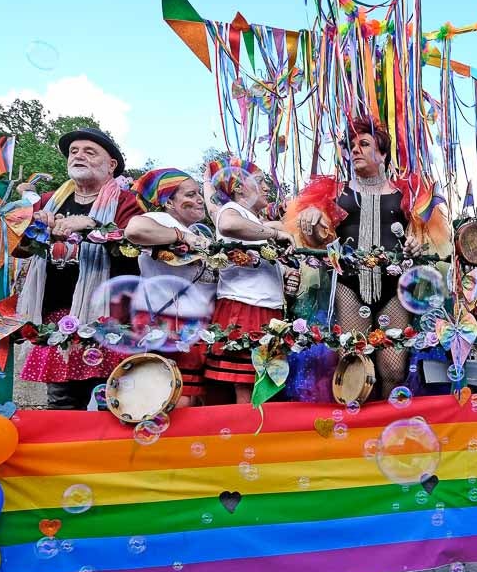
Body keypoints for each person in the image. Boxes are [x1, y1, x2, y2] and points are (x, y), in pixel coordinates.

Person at [286, 117, 451, 394]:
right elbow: (316, 242)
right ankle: (357, 432)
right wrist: (313, 217)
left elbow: (428, 241)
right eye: (351, 146)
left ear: (383, 154)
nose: (355, 150)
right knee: (353, 363)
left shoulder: (407, 193)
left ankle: (389, 427)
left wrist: (414, 245)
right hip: (349, 286)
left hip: (394, 287)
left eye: (364, 144)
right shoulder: (335, 193)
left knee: (393, 369)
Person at [16, 128, 144, 410]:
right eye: (74, 151)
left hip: (108, 318)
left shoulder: (127, 202)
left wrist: (93, 226)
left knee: (112, 405)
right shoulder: (49, 200)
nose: (78, 156)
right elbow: (17, 248)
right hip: (56, 316)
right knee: (61, 404)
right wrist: (33, 225)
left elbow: (135, 252)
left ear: (112, 165)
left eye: (89, 151)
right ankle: (61, 454)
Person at [204, 163, 298, 403]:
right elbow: (227, 224)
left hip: (265, 308)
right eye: (259, 180)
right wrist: (276, 234)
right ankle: (246, 436)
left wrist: (285, 273)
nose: (266, 187)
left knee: (264, 384)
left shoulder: (254, 221)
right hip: (244, 307)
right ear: (238, 189)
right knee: (246, 384)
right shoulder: (232, 209)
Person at [124, 168, 217, 405]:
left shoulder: (195, 232)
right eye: (190, 194)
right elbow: (134, 230)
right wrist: (182, 237)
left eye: (199, 193)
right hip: (169, 324)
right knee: (177, 400)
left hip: (194, 326)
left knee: (191, 400)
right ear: (168, 203)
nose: (199, 200)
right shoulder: (162, 221)